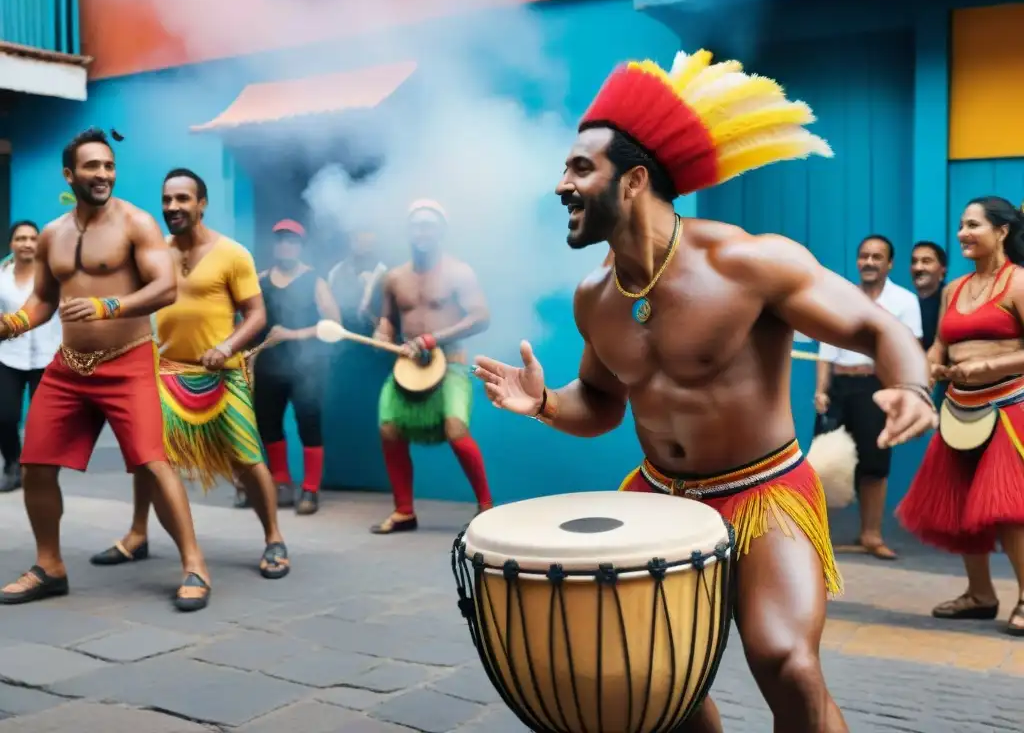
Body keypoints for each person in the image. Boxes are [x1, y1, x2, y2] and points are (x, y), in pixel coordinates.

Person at [473, 50, 936, 732]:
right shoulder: (595, 297)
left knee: (788, 665)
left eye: (579, 169)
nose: (560, 186)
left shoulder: (748, 262)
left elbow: (875, 327)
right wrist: (543, 402)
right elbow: (600, 406)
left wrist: (915, 388)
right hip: (661, 496)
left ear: (632, 182)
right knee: (649, 678)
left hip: (764, 491)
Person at [0, 127, 212, 611]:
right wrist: (11, 325)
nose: (103, 175)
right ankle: (49, 566)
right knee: (35, 465)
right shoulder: (52, 233)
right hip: (69, 368)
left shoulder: (137, 224)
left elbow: (164, 288)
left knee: (154, 464)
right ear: (69, 174)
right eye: (92, 166)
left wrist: (108, 306)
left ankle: (194, 565)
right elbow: (43, 301)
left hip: (128, 361)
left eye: (109, 166)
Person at [89, 168, 290, 579]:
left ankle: (273, 537)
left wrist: (226, 347)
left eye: (182, 199)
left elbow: (256, 315)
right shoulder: (154, 251)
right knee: (149, 457)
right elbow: (137, 303)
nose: (172, 207)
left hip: (222, 375)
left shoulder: (232, 254)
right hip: (163, 373)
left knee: (248, 459)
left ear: (202, 204)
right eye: (166, 200)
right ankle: (137, 535)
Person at [897, 197, 1024, 637]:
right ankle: (980, 595)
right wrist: (927, 370)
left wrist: (987, 367)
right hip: (959, 409)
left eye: (973, 225)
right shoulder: (954, 288)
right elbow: (938, 346)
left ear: (1002, 231)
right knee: (964, 504)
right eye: (961, 225)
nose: (962, 233)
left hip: (1010, 407)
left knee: (1008, 511)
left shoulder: (1019, 283)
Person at [370, 199, 493, 534]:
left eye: (428, 225)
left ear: (441, 231)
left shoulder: (459, 271)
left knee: (456, 428)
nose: (421, 231)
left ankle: (486, 508)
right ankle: (404, 512)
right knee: (388, 429)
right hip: (406, 367)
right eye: (415, 225)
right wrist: (382, 333)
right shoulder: (394, 277)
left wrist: (432, 339)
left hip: (449, 364)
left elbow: (481, 317)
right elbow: (387, 321)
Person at [815, 235, 922, 560]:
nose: (870, 262)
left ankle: (871, 535)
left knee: (874, 465)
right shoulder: (842, 297)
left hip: (878, 387)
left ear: (889, 264)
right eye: (864, 256)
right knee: (823, 464)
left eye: (877, 257)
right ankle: (819, 541)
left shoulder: (904, 300)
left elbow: (910, 349)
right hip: (839, 388)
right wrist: (821, 389)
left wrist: (903, 392)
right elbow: (826, 348)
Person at [251, 220, 340, 516]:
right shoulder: (260, 281)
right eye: (280, 240)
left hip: (306, 366)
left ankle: (311, 490)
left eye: (291, 241)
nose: (285, 245)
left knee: (309, 425)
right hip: (268, 366)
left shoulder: (315, 281)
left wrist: (292, 334)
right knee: (269, 425)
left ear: (300, 246)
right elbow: (251, 324)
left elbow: (334, 325)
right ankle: (282, 483)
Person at [0, 222, 61, 493]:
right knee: (5, 416)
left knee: (43, 421)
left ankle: (36, 470)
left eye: (32, 238)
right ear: (11, 244)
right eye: (20, 238)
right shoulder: (1, 277)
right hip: (9, 357)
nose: (27, 243)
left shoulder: (54, 277)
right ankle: (12, 463)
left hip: (47, 357)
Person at [911, 240, 948, 351]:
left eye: (926, 261)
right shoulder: (907, 302)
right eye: (914, 262)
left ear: (943, 270)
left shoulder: (952, 302)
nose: (918, 268)